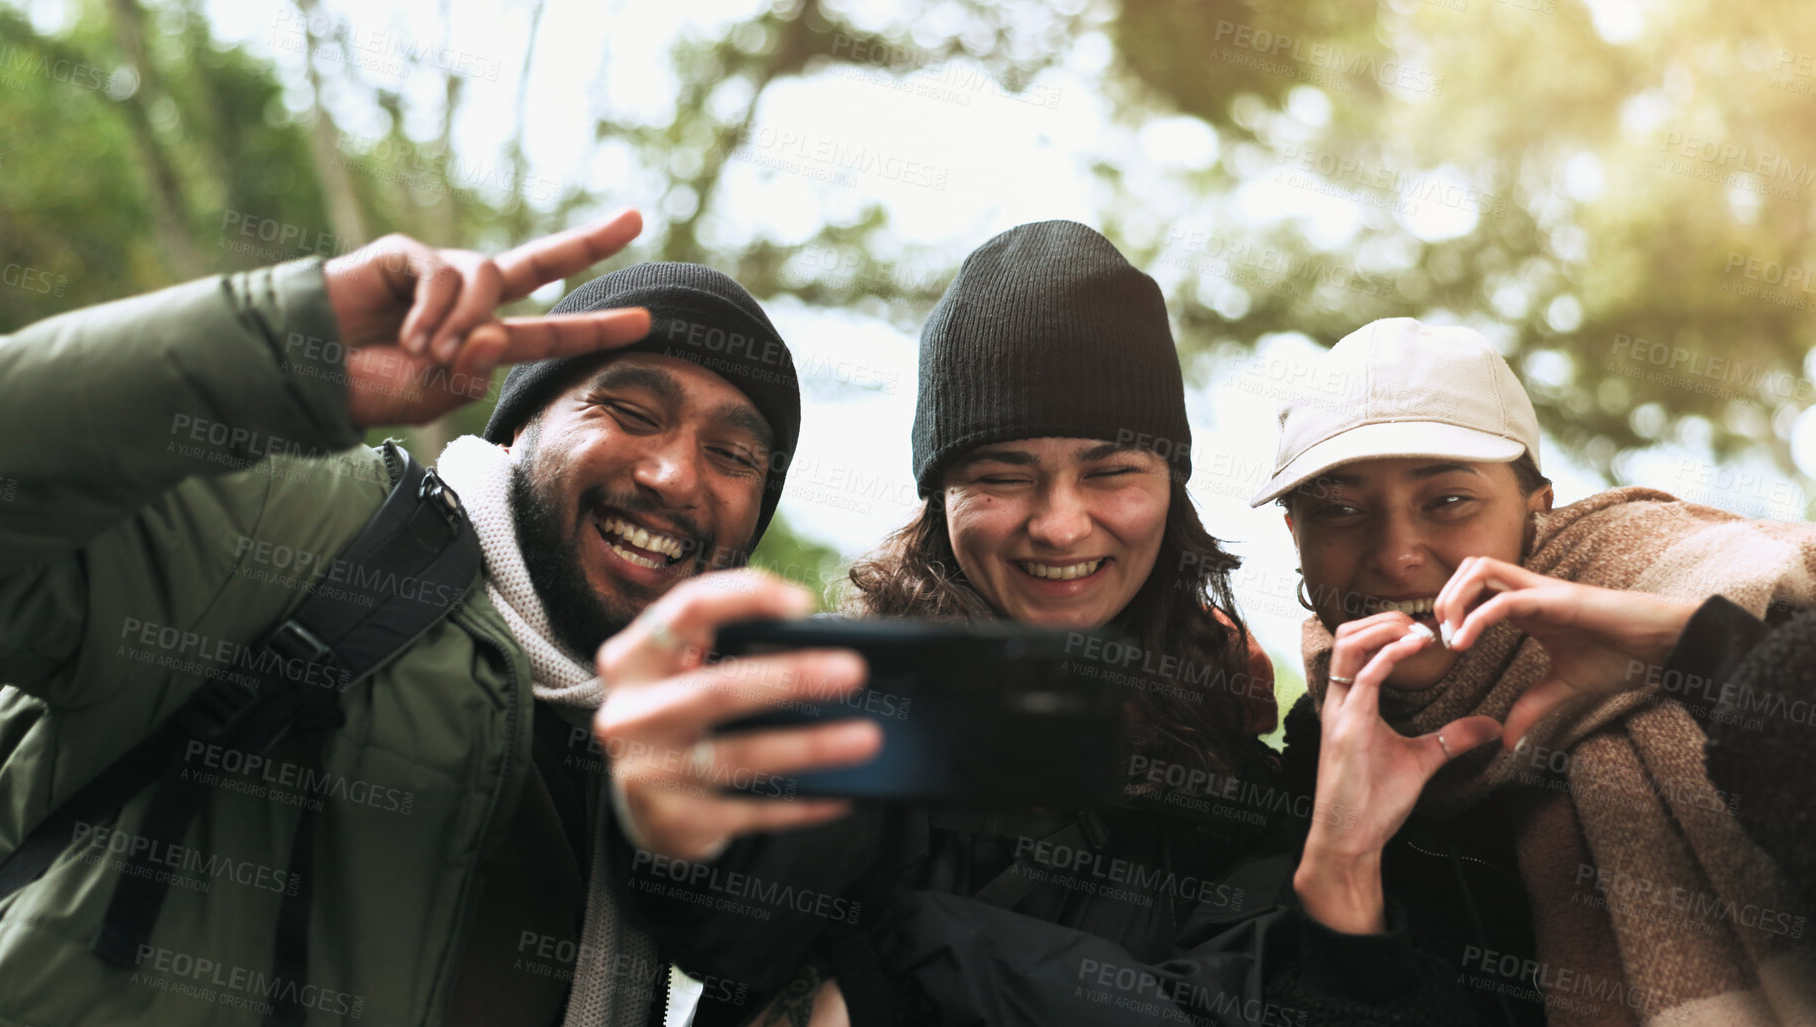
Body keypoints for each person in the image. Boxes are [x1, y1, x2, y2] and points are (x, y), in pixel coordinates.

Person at [0, 210, 804, 1026]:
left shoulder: (686, 767)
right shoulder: (292, 536)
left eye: (732, 455)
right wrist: (267, 349)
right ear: (516, 429)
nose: (676, 475)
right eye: (631, 409)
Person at [593, 221, 1371, 1027]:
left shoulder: (1239, 770)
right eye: (1001, 474)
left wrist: (900, 959)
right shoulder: (847, 710)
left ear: (1171, 487)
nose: (1060, 526)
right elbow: (735, 929)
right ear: (939, 500)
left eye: (1110, 473)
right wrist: (674, 836)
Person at [1250, 317, 1816, 1025]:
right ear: (1293, 535)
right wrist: (1341, 873)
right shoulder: (1310, 770)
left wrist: (1690, 643)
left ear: (1534, 507)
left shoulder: (1737, 598)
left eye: (1448, 499)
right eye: (1337, 508)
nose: (1395, 554)